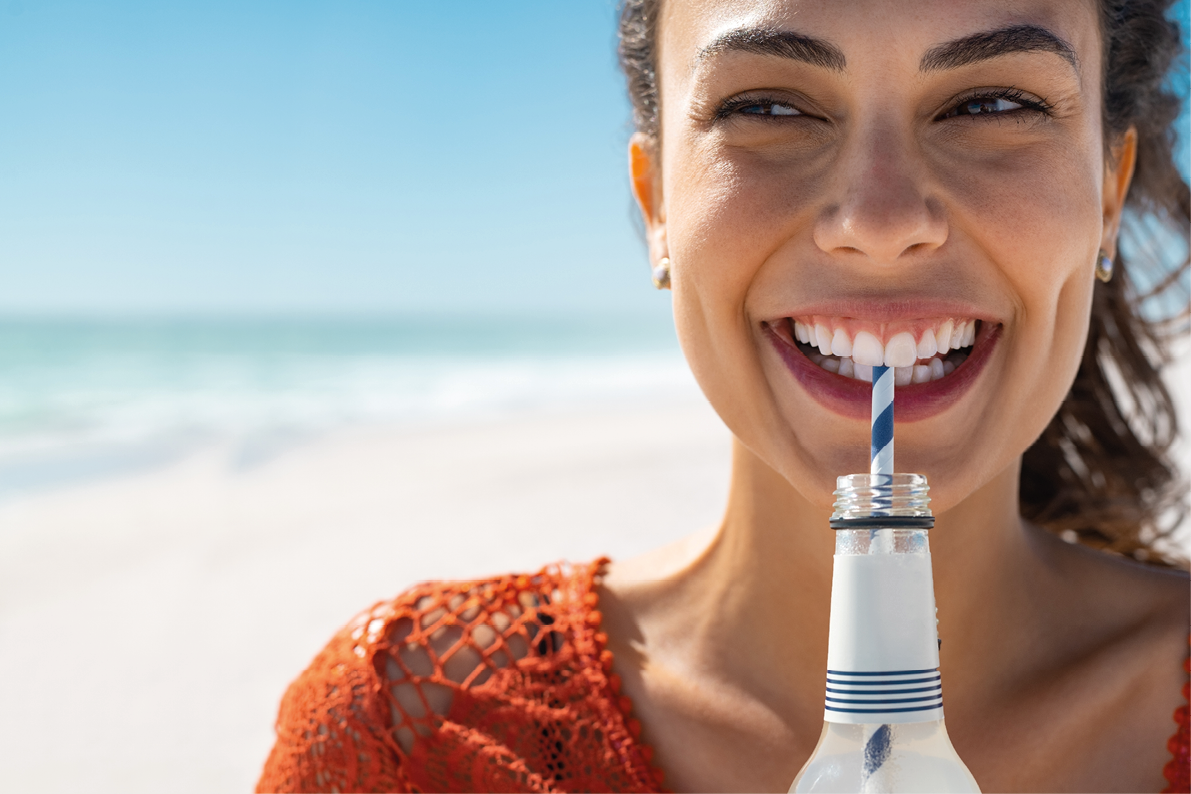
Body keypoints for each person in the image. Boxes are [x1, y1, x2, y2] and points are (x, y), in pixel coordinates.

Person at [256, 0, 1190, 791]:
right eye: (771, 105)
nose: (878, 221)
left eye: (991, 101)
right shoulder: (411, 730)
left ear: (1106, 194)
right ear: (658, 201)